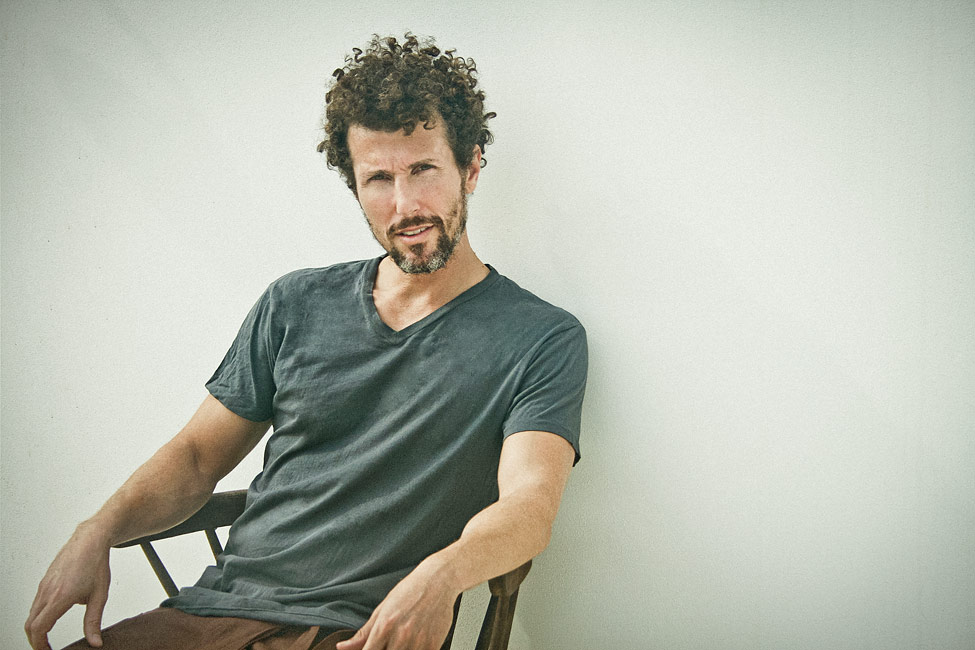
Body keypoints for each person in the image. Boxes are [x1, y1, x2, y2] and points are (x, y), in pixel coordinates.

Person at [25, 33, 588, 650]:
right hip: (210, 614)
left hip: (359, 631)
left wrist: (443, 575)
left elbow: (530, 505)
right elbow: (196, 458)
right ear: (354, 187)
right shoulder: (295, 303)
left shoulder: (539, 337)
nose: (404, 205)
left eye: (423, 170)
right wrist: (98, 530)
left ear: (470, 167)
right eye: (378, 178)